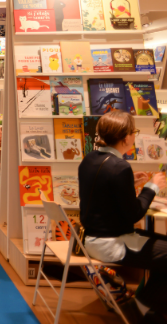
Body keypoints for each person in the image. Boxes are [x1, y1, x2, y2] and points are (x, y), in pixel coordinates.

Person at [79, 111, 167, 321]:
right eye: (134, 132)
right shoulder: (120, 166)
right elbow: (134, 214)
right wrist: (152, 187)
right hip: (111, 242)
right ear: (126, 137)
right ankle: (141, 307)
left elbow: (102, 191)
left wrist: (131, 185)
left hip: (91, 237)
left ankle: (150, 306)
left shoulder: (90, 158)